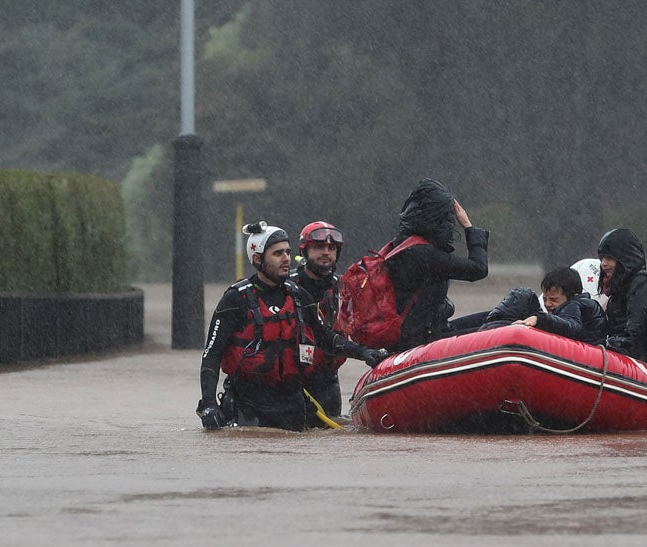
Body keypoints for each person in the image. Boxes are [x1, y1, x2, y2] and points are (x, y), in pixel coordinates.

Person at [196, 222, 381, 431]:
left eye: (287, 252)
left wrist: (365, 353)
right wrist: (210, 404)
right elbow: (211, 356)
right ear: (257, 259)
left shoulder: (299, 296)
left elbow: (326, 339)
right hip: (247, 405)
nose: (286, 259)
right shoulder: (235, 299)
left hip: (291, 404)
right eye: (277, 253)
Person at [386, 178, 489, 350]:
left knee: (494, 317)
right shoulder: (424, 255)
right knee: (497, 326)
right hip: (421, 340)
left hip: (422, 332)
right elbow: (478, 269)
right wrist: (469, 227)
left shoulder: (403, 243)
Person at [287, 220, 369, 422]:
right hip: (292, 382)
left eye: (331, 248)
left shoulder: (344, 287)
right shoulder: (286, 287)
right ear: (304, 251)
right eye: (319, 247)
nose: (326, 252)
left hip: (328, 379)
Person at [595, 227, 647, 369]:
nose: (603, 264)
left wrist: (615, 344)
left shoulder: (640, 282)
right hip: (623, 351)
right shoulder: (618, 286)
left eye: (609, 258)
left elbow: (635, 327)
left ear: (624, 259)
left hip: (641, 357)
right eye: (601, 258)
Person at [512, 266, 607, 345]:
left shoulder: (574, 305)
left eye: (554, 299)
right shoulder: (579, 304)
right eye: (545, 299)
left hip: (588, 354)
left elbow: (571, 326)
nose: (547, 304)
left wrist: (540, 319)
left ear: (573, 296)